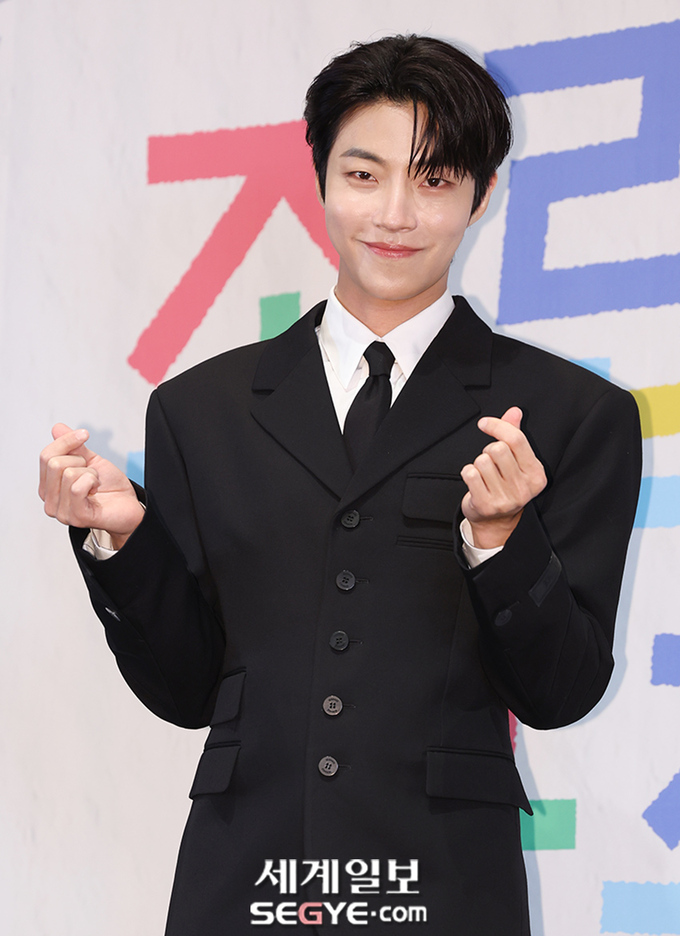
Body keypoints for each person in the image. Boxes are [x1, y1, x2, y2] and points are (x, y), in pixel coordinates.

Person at [39, 34, 641, 936]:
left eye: (434, 180)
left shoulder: (571, 414)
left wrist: (502, 542)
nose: (395, 213)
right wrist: (121, 540)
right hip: (245, 884)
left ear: (481, 195)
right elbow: (186, 691)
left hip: (445, 888)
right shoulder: (201, 410)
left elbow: (561, 694)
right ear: (321, 177)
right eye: (364, 175)